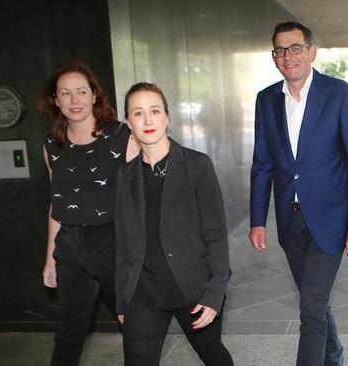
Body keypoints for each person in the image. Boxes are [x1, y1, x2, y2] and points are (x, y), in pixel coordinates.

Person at [249, 21, 348, 366]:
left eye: (295, 48)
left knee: (311, 308)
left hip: (332, 219)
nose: (288, 57)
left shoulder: (340, 93)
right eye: (280, 50)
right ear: (274, 58)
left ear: (311, 51)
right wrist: (258, 220)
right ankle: (334, 357)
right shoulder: (266, 100)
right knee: (313, 301)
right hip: (291, 220)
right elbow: (262, 164)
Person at [115, 82, 233, 366]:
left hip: (192, 287)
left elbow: (216, 234)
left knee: (212, 355)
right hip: (143, 291)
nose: (147, 120)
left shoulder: (196, 165)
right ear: (127, 122)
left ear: (167, 116)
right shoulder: (126, 175)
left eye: (154, 111)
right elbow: (123, 240)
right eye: (137, 113)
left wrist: (215, 292)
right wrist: (122, 297)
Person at [39, 60, 136, 366]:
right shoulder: (51, 144)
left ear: (95, 94)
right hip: (71, 250)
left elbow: (140, 197)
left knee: (136, 328)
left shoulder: (122, 136)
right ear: (55, 100)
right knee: (67, 336)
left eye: (81, 91)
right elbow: (57, 202)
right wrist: (50, 258)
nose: (74, 99)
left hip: (113, 245)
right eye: (65, 93)